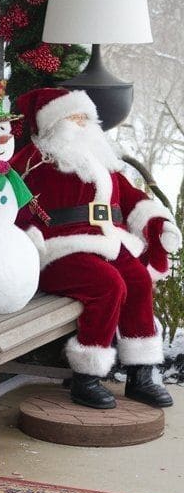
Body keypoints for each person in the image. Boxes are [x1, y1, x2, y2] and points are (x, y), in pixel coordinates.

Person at [11, 87, 181, 410]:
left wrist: (156, 222)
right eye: (73, 117)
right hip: (59, 249)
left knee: (138, 281)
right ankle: (86, 378)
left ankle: (140, 375)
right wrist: (27, 238)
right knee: (108, 285)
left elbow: (132, 199)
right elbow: (8, 204)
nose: (81, 124)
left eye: (85, 117)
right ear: (52, 123)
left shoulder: (102, 159)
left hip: (108, 241)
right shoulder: (34, 160)